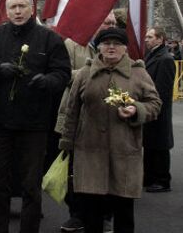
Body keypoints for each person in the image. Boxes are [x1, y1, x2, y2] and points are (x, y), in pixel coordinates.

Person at [0, 0, 70, 233]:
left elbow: (63, 73)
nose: (17, 12)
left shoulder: (50, 39)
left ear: (32, 9)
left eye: (22, 6)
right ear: (6, 11)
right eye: (13, 7)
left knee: (31, 185)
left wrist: (47, 81)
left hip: (34, 124)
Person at [59, 28, 161, 233]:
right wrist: (66, 143)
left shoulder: (138, 72)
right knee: (92, 213)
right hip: (89, 152)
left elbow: (155, 104)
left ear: (125, 48)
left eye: (117, 43)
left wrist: (136, 109)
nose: (111, 47)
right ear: (99, 47)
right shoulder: (85, 73)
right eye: (106, 43)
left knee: (123, 212)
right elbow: (72, 111)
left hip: (124, 152)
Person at [55, 11, 116, 232]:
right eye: (105, 21)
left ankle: (106, 215)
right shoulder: (72, 44)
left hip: (109, 120)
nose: (109, 25)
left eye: (112, 22)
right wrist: (92, 72)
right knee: (75, 170)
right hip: (77, 118)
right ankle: (77, 215)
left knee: (108, 170)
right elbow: (63, 73)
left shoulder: (117, 49)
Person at [143, 27, 176, 193]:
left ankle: (163, 180)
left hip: (159, 109)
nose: (146, 39)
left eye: (150, 37)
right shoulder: (152, 54)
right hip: (151, 108)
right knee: (150, 144)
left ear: (160, 38)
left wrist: (153, 106)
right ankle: (149, 177)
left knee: (160, 146)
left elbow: (162, 89)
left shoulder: (165, 59)